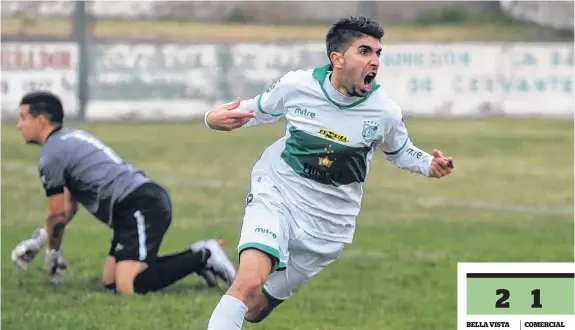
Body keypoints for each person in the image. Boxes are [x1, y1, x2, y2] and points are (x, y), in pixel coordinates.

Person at [202, 16, 454, 329]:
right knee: (249, 282)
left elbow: (400, 151)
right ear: (337, 58)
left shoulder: (384, 112)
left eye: (378, 53)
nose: (374, 61)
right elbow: (256, 109)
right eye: (364, 51)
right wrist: (212, 117)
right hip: (278, 193)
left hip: (328, 225)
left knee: (255, 309)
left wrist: (428, 164)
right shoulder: (298, 86)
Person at [10, 91, 236, 294]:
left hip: (140, 204)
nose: (19, 125)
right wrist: (42, 242)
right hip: (133, 206)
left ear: (40, 120)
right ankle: (195, 260)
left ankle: (203, 254)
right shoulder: (68, 140)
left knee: (130, 286)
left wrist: (50, 253)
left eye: (23, 118)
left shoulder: (51, 154)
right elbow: (68, 208)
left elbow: (57, 214)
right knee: (112, 282)